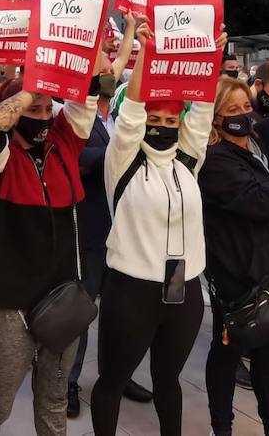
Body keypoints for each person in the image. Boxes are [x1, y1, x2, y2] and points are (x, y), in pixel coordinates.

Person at [90, 22, 219, 436]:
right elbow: (131, 115)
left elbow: (200, 113)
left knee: (169, 381)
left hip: (184, 289)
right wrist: (145, 51)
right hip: (131, 291)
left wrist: (208, 59)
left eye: (170, 119)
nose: (162, 126)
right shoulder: (122, 162)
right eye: (154, 118)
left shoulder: (187, 160)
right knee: (111, 381)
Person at [0, 75, 98, 435]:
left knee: (53, 403)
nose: (41, 116)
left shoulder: (65, 144)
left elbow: (88, 93)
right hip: (12, 307)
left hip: (63, 300)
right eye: (30, 109)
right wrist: (30, 89)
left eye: (46, 109)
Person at [198, 76, 269, 436]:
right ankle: (223, 427)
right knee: (227, 352)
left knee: (267, 358)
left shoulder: (258, 140)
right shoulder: (214, 160)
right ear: (215, 118)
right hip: (238, 278)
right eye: (232, 110)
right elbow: (260, 202)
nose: (243, 115)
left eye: (247, 106)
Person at [67, 36, 155, 418]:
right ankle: (67, 382)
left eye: (109, 70)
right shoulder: (72, 115)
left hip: (125, 231)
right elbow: (77, 158)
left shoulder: (120, 115)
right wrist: (122, 147)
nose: (107, 74)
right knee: (81, 313)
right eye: (100, 70)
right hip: (90, 231)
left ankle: (117, 376)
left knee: (122, 315)